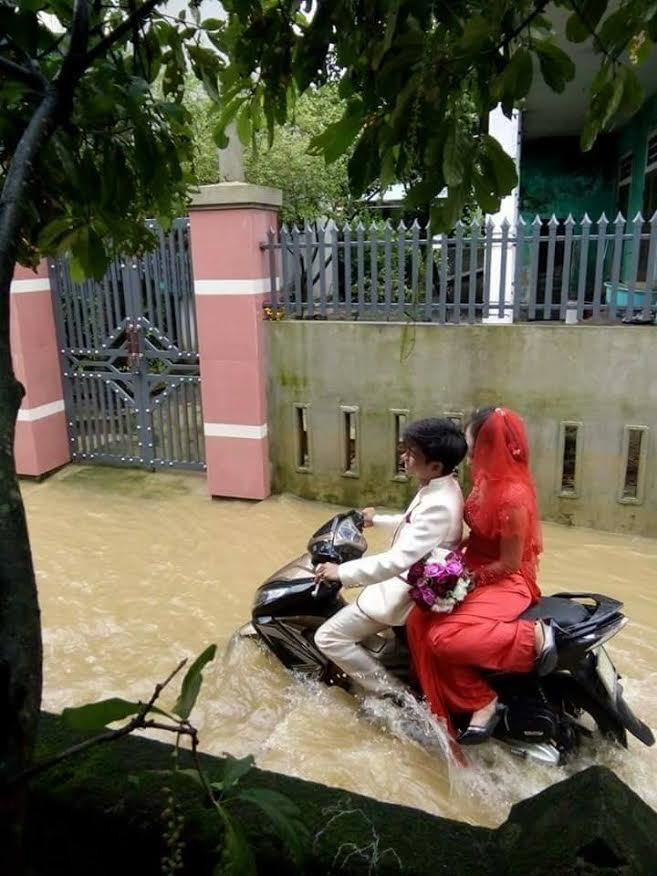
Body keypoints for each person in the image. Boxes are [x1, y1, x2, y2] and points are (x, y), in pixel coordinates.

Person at [406, 407, 556, 745]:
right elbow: (471, 532)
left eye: (471, 438)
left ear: (485, 443)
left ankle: (520, 651)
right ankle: (442, 704)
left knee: (443, 638)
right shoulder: (485, 478)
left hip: (506, 579)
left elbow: (509, 563)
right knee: (417, 620)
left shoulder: (513, 498)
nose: (467, 444)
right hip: (470, 564)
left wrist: (466, 578)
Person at [313, 418, 466, 701]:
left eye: (412, 454)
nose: (404, 457)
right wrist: (376, 520)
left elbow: (397, 560)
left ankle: (393, 694)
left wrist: (341, 572)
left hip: (403, 591)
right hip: (409, 578)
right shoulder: (441, 487)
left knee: (328, 637)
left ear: (435, 466)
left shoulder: (439, 504)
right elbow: (413, 523)